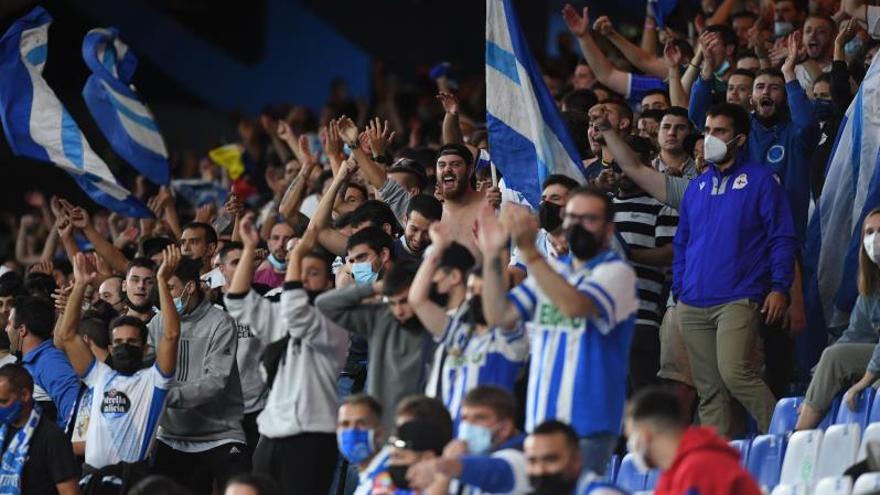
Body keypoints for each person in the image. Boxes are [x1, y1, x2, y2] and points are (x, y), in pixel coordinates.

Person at [478, 187, 638, 475]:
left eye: (589, 218)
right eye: (572, 217)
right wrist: (492, 255)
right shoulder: (552, 271)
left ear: (609, 228)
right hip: (541, 423)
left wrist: (529, 252)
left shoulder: (618, 272)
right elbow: (499, 315)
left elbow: (575, 306)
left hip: (587, 427)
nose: (578, 225)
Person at [673, 103, 797, 436]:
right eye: (708, 130)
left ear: (739, 139)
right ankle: (720, 466)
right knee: (710, 390)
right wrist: (679, 289)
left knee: (735, 374)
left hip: (738, 297)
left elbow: (782, 237)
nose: (709, 138)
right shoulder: (696, 188)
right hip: (692, 302)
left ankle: (788, 437)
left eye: (719, 131)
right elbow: (682, 243)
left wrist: (779, 287)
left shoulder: (761, 181)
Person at [55, 248, 180, 469]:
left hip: (131, 481)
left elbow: (171, 335)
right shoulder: (99, 376)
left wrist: (161, 280)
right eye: (119, 343)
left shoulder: (155, 381)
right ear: (111, 349)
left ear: (144, 349)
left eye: (131, 343)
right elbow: (67, 336)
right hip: (93, 480)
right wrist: (81, 284)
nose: (124, 347)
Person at [409, 228, 527, 427]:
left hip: (489, 437)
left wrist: (491, 254)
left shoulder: (511, 339)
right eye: (471, 290)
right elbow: (417, 300)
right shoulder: (462, 335)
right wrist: (438, 247)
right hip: (449, 437)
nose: (475, 297)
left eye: (483, 292)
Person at [149, 256, 247, 495]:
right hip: (171, 435)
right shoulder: (157, 323)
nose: (163, 295)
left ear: (190, 287)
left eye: (169, 287)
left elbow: (215, 381)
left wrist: (166, 396)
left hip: (221, 434)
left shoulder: (220, 322)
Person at [318, 258, 430, 432]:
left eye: (404, 301)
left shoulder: (436, 325)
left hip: (420, 427)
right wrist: (375, 287)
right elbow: (325, 304)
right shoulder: (381, 318)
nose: (399, 311)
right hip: (378, 428)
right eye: (393, 302)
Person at [795, 208, 880, 430]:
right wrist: (817, 383)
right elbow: (854, 335)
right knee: (833, 356)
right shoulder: (871, 288)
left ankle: (799, 436)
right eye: (869, 233)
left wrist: (862, 382)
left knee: (838, 359)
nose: (875, 239)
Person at [607, 136, 679, 392]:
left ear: (648, 165)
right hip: (602, 321)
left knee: (644, 397)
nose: (623, 172)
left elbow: (669, 253)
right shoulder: (603, 207)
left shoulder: (661, 206)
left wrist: (625, 255)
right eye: (618, 166)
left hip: (642, 318)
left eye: (630, 165)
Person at [625, 388, 761, 494]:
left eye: (631, 437)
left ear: (645, 435)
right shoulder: (672, 474)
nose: (630, 446)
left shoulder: (700, 468)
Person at [407, 386, 530, 495]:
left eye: (479, 418)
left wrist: (444, 465)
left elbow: (493, 471)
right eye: (464, 418)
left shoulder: (525, 456)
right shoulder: (467, 457)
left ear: (505, 428)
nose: (468, 426)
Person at [0, 364, 79, 495]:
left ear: (25, 395)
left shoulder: (52, 437)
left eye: (3, 401)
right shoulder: (3, 433)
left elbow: (69, 492)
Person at [6, 295, 80, 429]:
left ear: (22, 330)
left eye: (9, 324)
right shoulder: (28, 362)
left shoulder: (51, 362)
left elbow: (75, 416)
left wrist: (53, 446)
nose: (6, 329)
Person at [434, 144, 489, 260]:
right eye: (441, 165)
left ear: (470, 171)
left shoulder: (490, 205)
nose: (447, 169)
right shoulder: (431, 212)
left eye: (455, 164)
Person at [374, 419, 453, 495]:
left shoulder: (456, 486)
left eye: (399, 457)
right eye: (391, 457)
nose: (392, 463)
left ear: (427, 458)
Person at [337, 394, 390, 495]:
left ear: (379, 433)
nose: (351, 431)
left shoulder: (390, 480)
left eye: (361, 424)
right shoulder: (369, 477)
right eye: (345, 424)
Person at [394, 195, 442, 266]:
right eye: (414, 229)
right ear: (405, 221)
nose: (418, 238)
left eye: (426, 232)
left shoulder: (440, 259)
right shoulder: (389, 253)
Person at [653, 107, 696, 179]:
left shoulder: (703, 170)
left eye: (680, 128)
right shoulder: (646, 169)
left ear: (690, 133)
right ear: (657, 131)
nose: (671, 133)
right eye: (666, 127)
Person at [253, 222, 294, 289]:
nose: (280, 244)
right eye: (276, 238)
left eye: (287, 239)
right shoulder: (258, 276)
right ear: (268, 243)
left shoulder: (305, 274)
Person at [121, 258, 157, 322]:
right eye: (135, 280)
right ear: (124, 285)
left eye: (148, 281)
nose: (141, 286)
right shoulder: (114, 328)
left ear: (156, 287)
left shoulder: (164, 323)